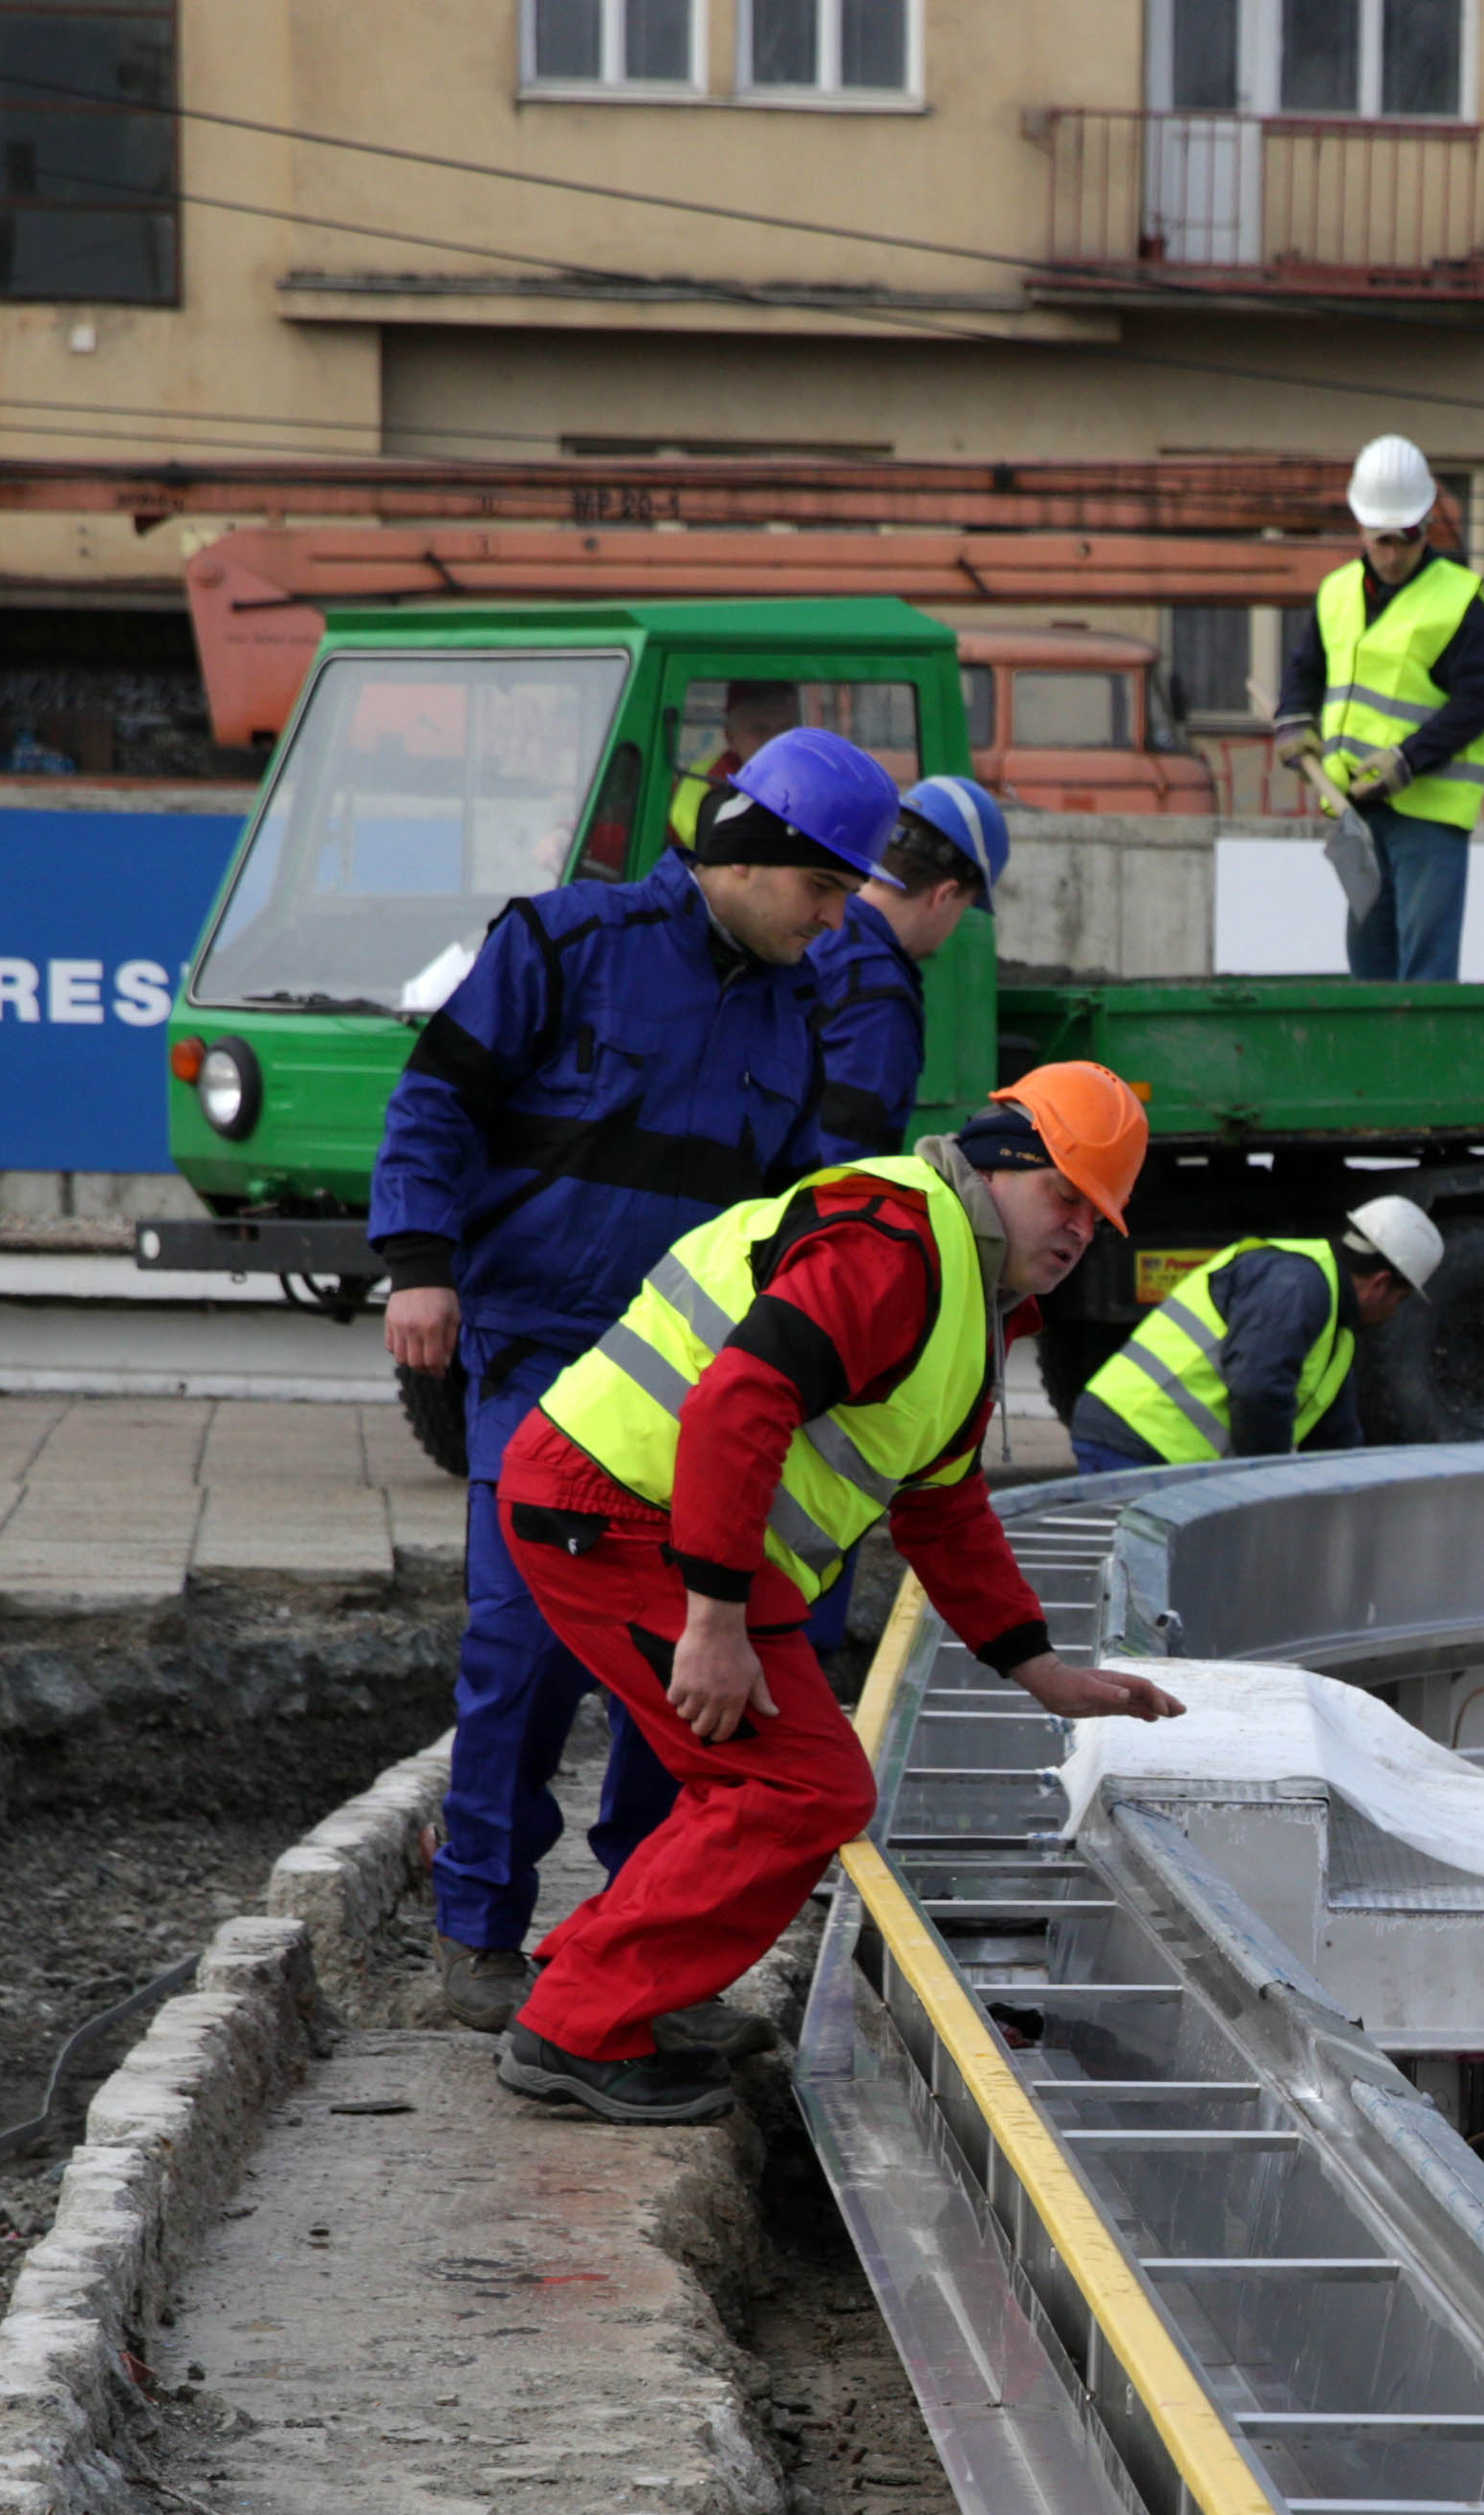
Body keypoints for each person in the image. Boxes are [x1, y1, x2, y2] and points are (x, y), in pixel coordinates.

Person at [488, 1060, 1188, 2124]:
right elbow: (740, 1402)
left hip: (667, 1526)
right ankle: (577, 2028)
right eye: (1066, 1197)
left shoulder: (964, 1292)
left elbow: (942, 1508)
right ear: (1002, 1162)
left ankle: (600, 1984)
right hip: (618, 1511)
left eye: (1097, 1220)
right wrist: (715, 1622)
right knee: (798, 1787)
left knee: (783, 1780)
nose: (1080, 1232)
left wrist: (1039, 1670)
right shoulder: (897, 1245)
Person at [371, 726, 923, 2034]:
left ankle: (634, 1929)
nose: (842, 919)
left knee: (689, 1670)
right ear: (752, 855)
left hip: (690, 1389)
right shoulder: (566, 946)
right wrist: (417, 1263)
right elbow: (435, 1100)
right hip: (543, 1355)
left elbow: (785, 1217)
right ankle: (479, 1934)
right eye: (826, 888)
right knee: (522, 1647)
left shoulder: (799, 1013)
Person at [1280, 433, 1484, 985]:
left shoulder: (1458, 603)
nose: (1392, 553)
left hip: (1428, 817)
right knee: (1370, 969)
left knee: (1425, 972)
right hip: (1358, 813)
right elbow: (1306, 671)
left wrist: (1406, 760)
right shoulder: (1336, 594)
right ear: (1361, 527)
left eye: (1404, 539)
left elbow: (1479, 701)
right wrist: (1294, 720)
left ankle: (1423, 1070)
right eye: (1382, 540)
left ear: (1426, 526)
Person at [1064, 1192, 1443, 1472]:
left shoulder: (1334, 1331)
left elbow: (1335, 1442)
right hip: (1136, 1438)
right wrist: (1263, 1487)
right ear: (1380, 1284)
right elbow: (1258, 1388)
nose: (1395, 1314)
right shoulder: (1298, 1285)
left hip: (1156, 1447)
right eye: (1401, 1300)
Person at [812, 774, 1015, 1172]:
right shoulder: (877, 995)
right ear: (944, 896)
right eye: (963, 908)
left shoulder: (814, 931)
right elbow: (842, 1166)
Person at [662, 677, 806, 848]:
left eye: (784, 730)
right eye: (761, 730)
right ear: (730, 737)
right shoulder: (693, 787)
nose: (774, 742)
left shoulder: (818, 780)